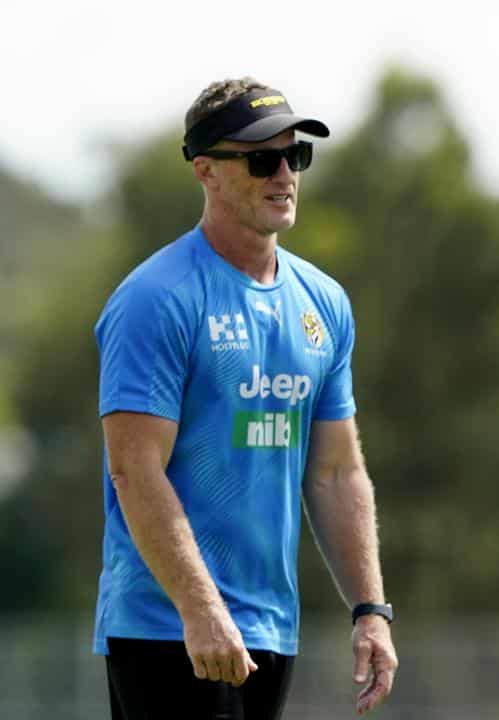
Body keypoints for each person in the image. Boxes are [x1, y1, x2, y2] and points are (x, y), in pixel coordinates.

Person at [94, 77, 397, 719]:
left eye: (296, 156)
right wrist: (199, 609)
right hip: (166, 627)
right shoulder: (158, 299)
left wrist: (370, 608)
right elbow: (134, 469)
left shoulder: (324, 304)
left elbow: (337, 472)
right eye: (262, 158)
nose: (284, 174)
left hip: (269, 631)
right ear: (205, 170)